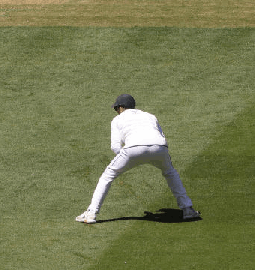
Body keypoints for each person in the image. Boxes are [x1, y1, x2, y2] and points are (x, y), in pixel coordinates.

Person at [75, 94, 200, 224]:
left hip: (132, 149)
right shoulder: (150, 116)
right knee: (170, 173)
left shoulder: (117, 120)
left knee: (108, 175)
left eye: (117, 108)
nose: (117, 111)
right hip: (160, 147)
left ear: (122, 107)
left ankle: (91, 214)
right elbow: (161, 136)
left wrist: (128, 159)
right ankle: (188, 209)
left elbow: (115, 147)